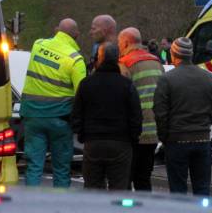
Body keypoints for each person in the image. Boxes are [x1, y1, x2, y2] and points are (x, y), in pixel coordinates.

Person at [21, 18, 87, 188]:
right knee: (61, 168)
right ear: (76, 35)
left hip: (33, 116)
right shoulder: (75, 60)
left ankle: (30, 205)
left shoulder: (38, 45)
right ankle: (59, 207)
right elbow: (82, 94)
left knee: (34, 166)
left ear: (57, 30)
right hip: (60, 120)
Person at [153, 37, 212, 196]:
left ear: (173, 54)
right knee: (202, 188)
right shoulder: (208, 78)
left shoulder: (167, 79)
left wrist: (165, 136)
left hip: (177, 140)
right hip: (202, 139)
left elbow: (160, 113)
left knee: (178, 189)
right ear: (191, 54)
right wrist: (203, 126)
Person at [72, 43, 142, 190]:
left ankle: (95, 212)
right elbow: (136, 115)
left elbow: (77, 113)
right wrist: (133, 137)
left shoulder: (86, 84)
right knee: (119, 188)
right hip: (121, 143)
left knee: (93, 187)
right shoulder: (126, 85)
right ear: (117, 59)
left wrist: (82, 135)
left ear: (99, 58)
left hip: (93, 142)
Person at [118, 27, 164, 191]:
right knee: (144, 178)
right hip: (153, 131)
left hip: (133, 132)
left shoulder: (125, 64)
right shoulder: (156, 62)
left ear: (125, 42)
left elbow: (121, 98)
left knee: (125, 178)